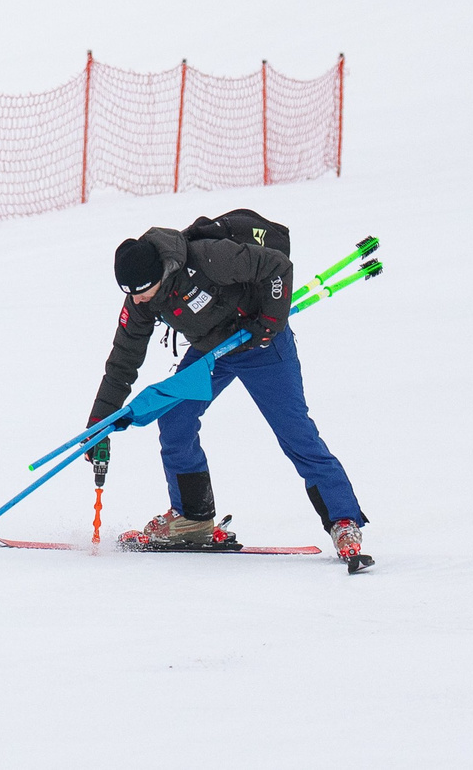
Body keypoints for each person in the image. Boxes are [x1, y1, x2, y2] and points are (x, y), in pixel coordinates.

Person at [87, 212, 370, 567]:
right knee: (175, 418)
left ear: (162, 273)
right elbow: (123, 361)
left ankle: (343, 520)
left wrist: (269, 324)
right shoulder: (141, 299)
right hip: (212, 352)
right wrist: (99, 423)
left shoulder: (209, 257)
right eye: (131, 295)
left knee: (295, 433)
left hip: (262, 346)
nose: (138, 301)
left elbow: (277, 267)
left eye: (142, 292)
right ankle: (192, 518)